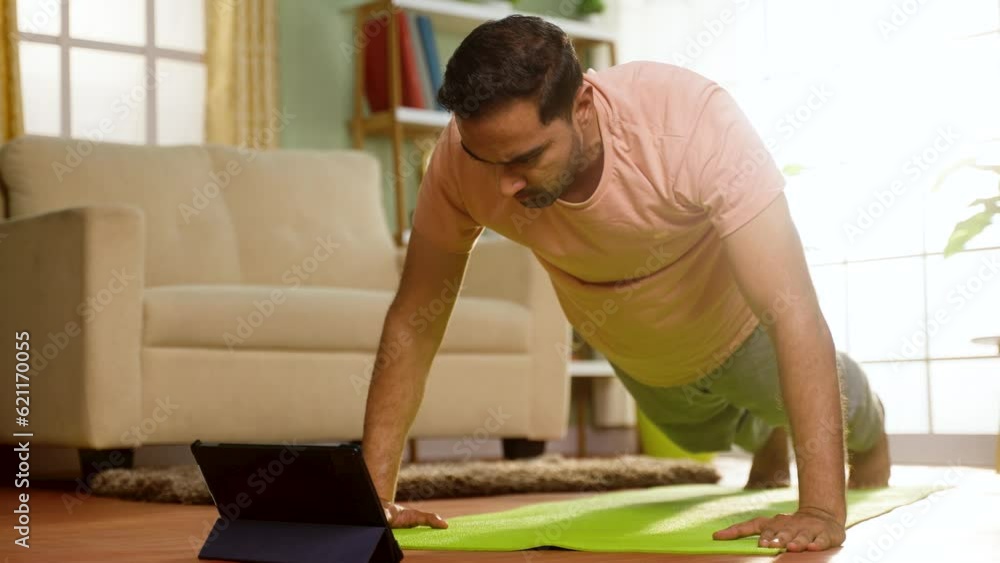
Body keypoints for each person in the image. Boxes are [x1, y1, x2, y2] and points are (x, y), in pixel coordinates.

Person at [361, 14, 890, 553]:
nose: (504, 185)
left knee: (801, 400)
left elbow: (792, 309)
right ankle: (771, 433)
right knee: (700, 434)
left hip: (736, 329)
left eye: (526, 158)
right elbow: (414, 321)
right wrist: (375, 500)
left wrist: (821, 509)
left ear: (583, 105)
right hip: (640, 357)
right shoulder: (459, 160)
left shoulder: (689, 121)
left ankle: (870, 423)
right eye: (485, 160)